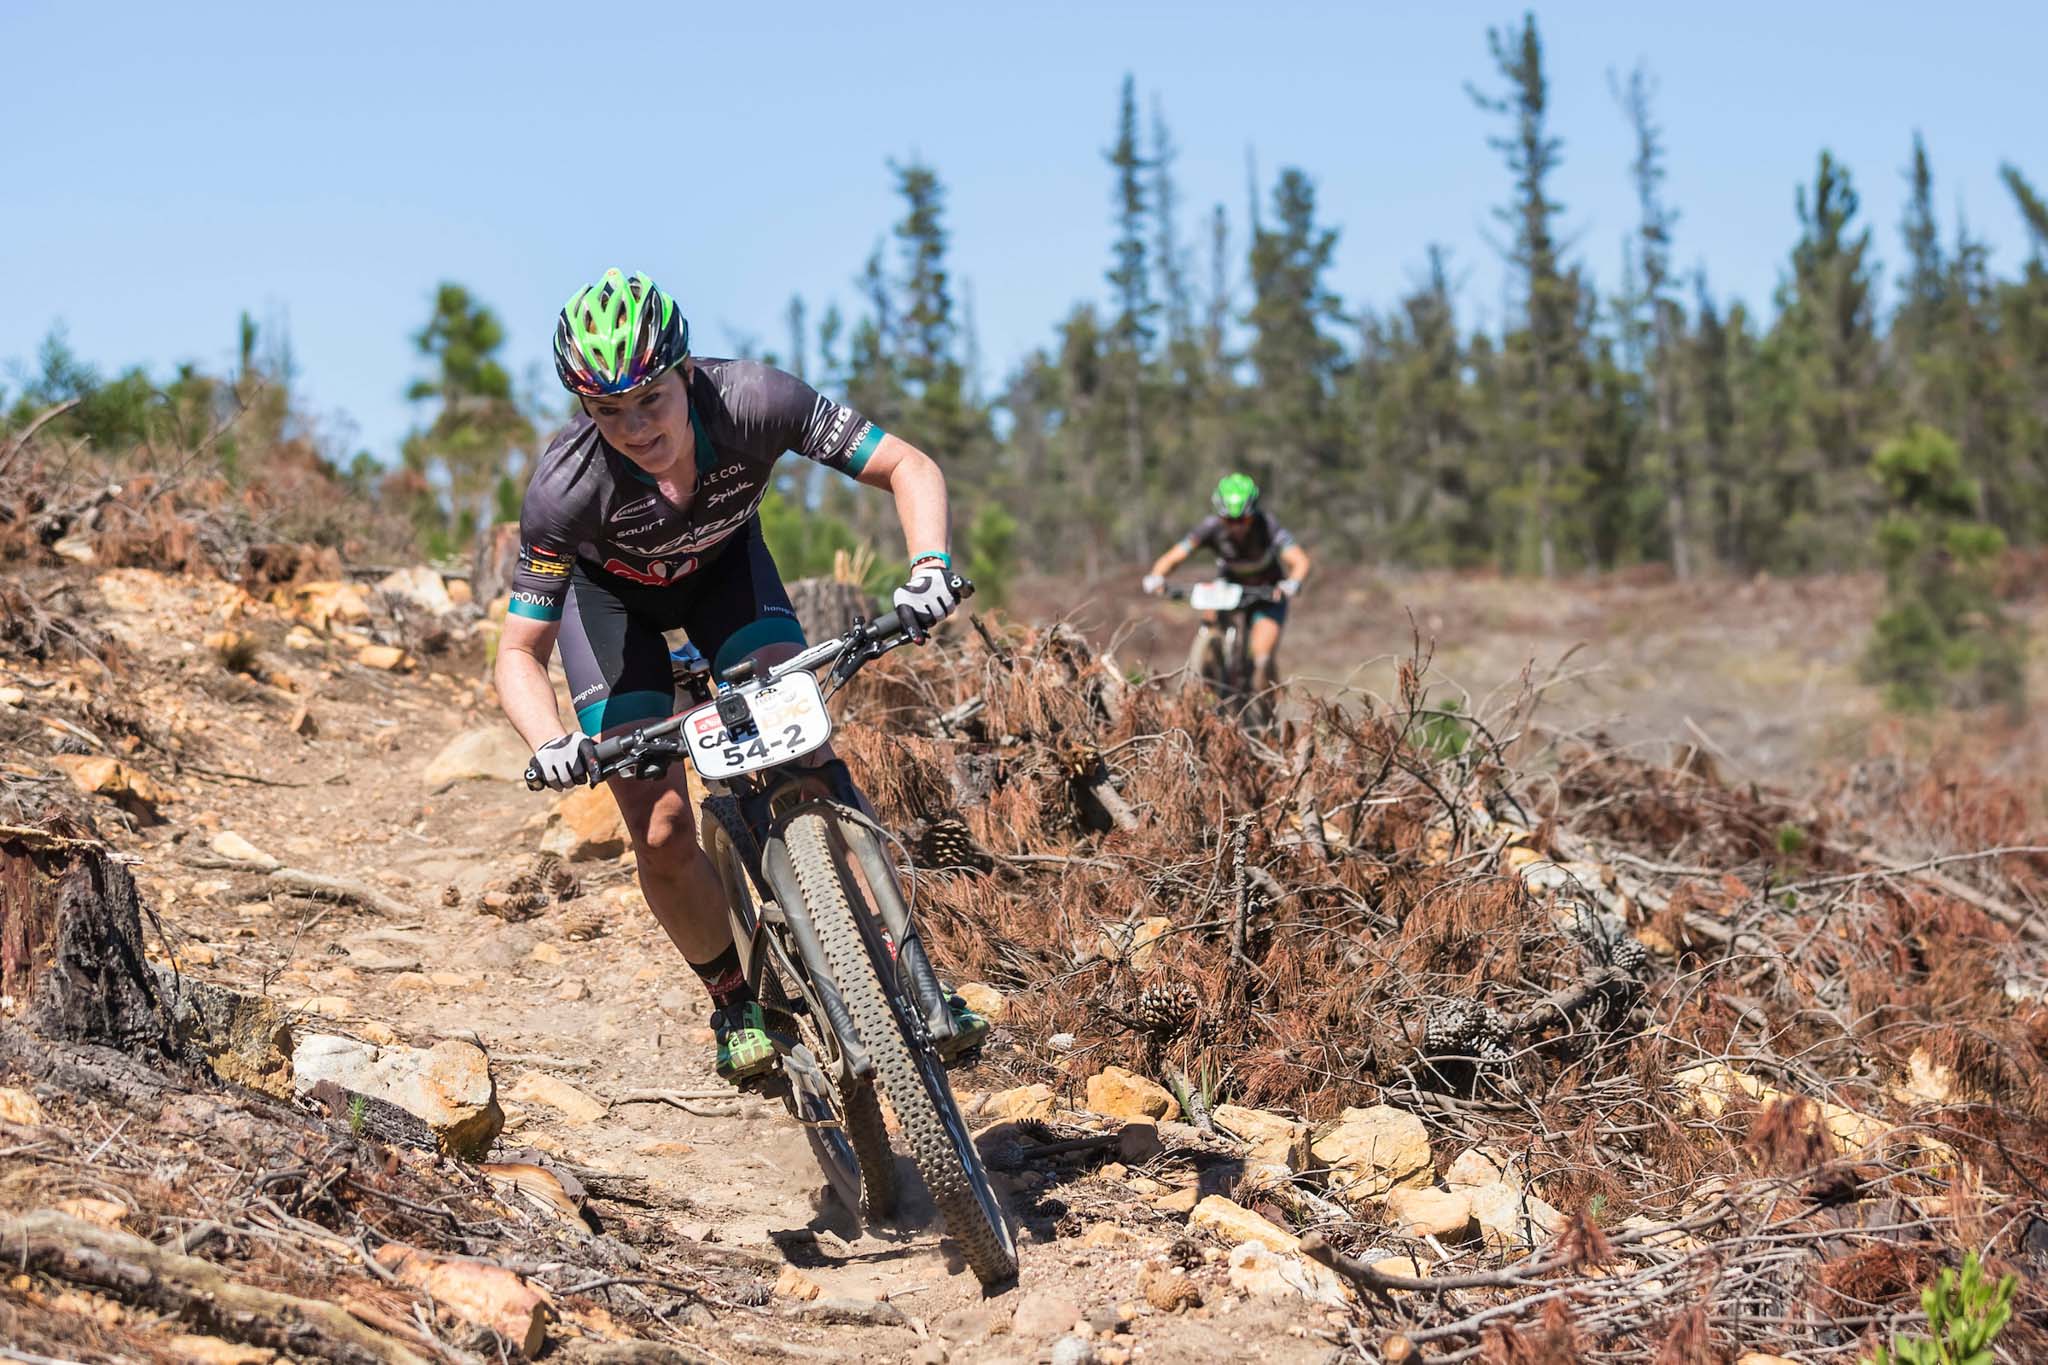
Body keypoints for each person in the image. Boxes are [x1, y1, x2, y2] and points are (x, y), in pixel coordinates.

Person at [495, 268, 986, 1084]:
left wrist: (929, 567)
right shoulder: (563, 488)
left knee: (809, 759)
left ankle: (914, 975)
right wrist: (550, 741)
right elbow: (519, 651)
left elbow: (909, 466)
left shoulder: (757, 399)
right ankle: (732, 1001)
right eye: (608, 411)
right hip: (608, 612)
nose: (634, 425)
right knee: (656, 826)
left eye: (649, 397)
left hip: (727, 577)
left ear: (686, 371)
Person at [1142, 472, 1311, 696]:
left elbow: (1299, 560)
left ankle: (1266, 703)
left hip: (1268, 594)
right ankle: (1210, 678)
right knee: (1209, 622)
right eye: (1229, 520)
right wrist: (1157, 576)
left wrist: (1293, 582)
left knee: (1262, 657)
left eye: (1242, 520)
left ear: (1253, 514)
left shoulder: (1267, 526)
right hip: (1229, 588)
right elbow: (1175, 555)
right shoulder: (1210, 528)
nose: (1236, 527)